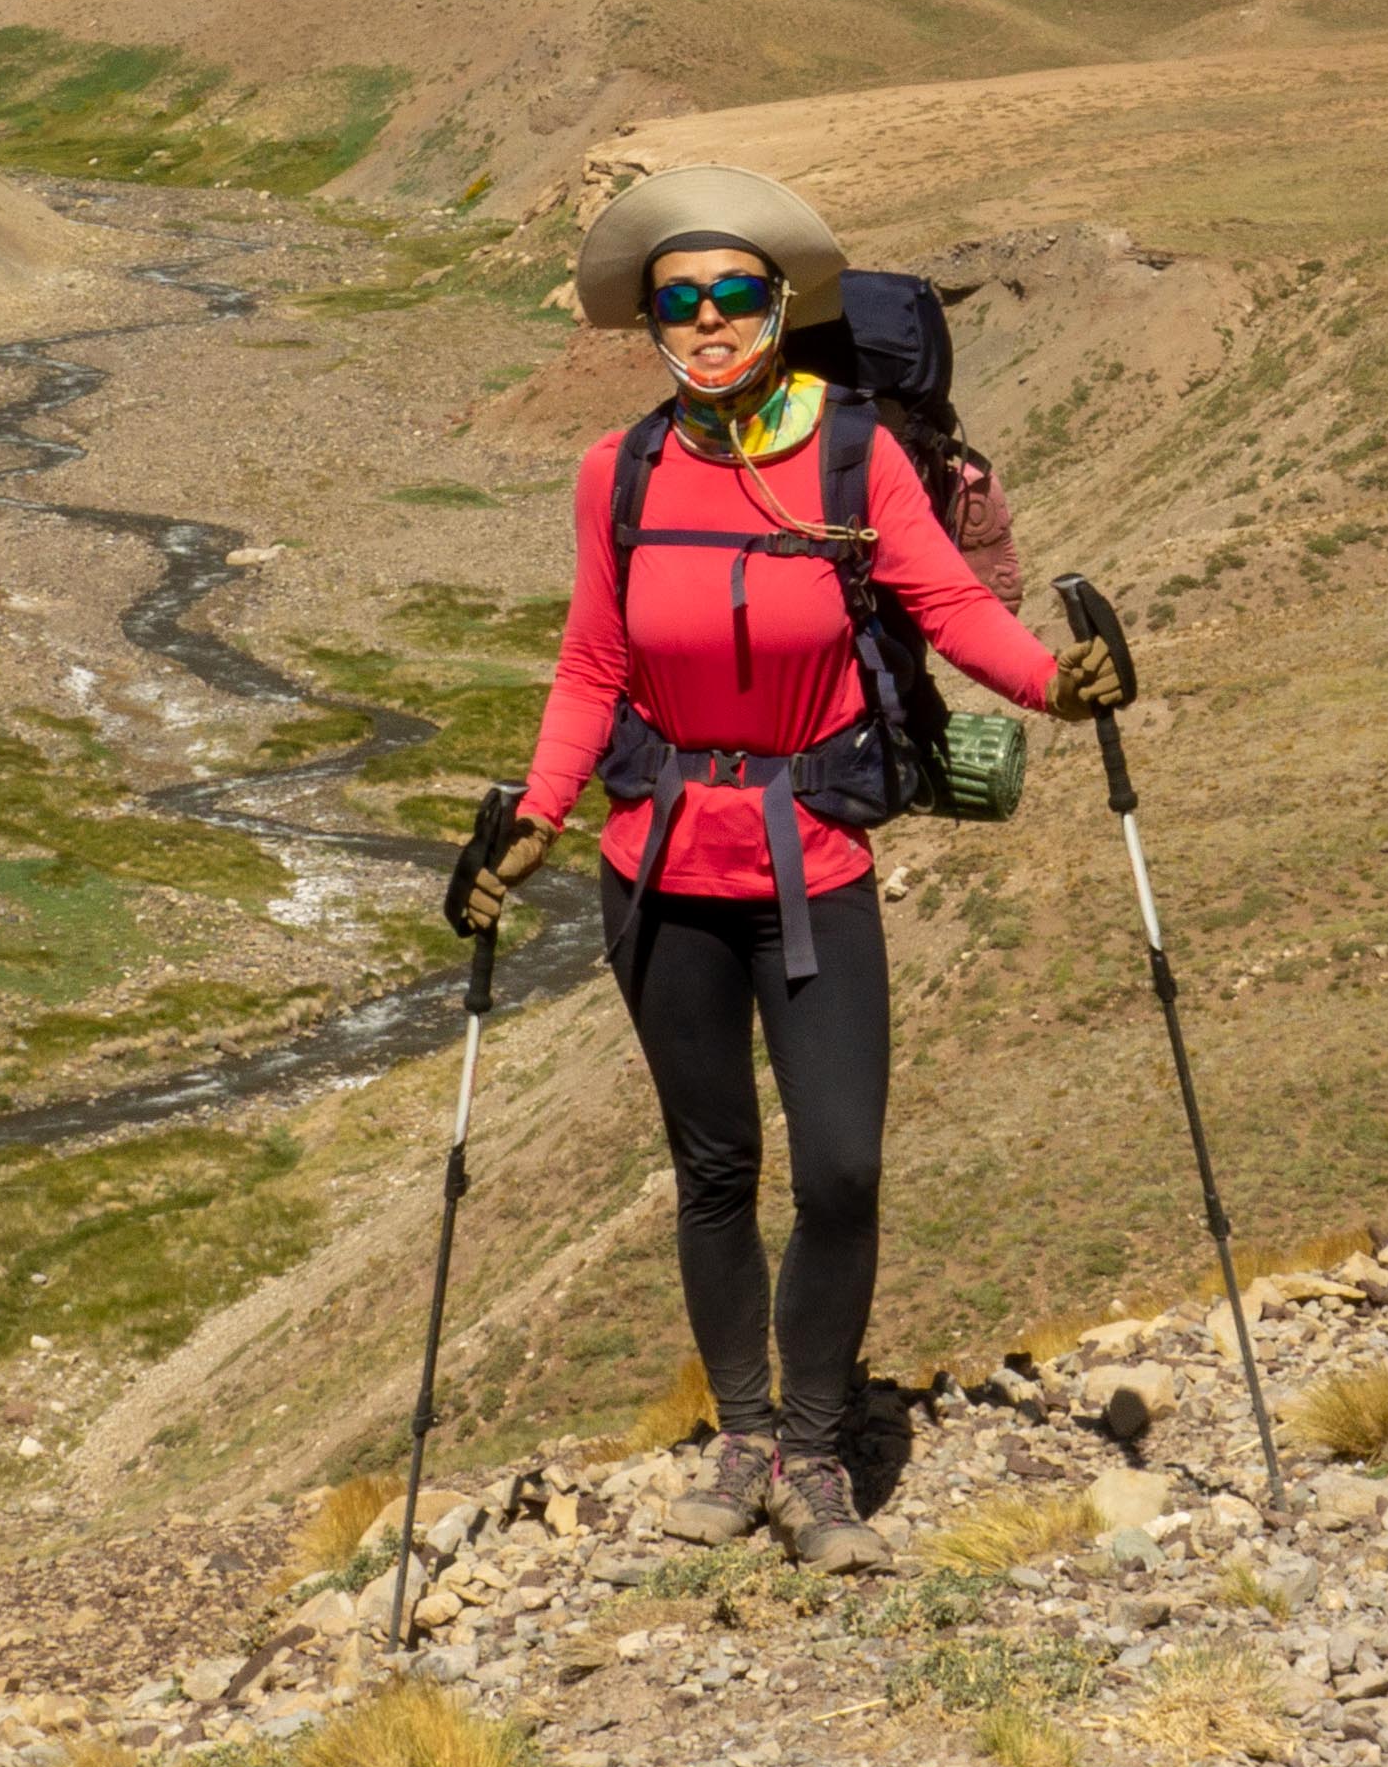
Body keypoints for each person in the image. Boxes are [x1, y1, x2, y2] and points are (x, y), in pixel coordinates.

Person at [442, 164, 1135, 1569]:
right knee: (712, 1170)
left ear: (781, 304)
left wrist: (1052, 691)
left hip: (809, 862)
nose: (705, 322)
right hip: (655, 871)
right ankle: (747, 1440)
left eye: (733, 296)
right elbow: (592, 664)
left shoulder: (852, 455)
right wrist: (543, 817)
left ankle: (817, 1454)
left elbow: (946, 605)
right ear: (651, 322)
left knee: (842, 1170)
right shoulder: (619, 472)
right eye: (677, 301)